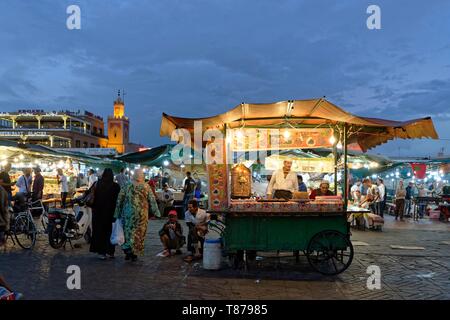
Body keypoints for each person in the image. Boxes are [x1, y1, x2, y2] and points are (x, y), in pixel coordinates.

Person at [114, 169, 161, 262]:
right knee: (139, 233)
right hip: (142, 214)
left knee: (128, 232)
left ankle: (128, 251)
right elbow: (152, 200)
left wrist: (117, 213)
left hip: (128, 214)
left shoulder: (126, 185)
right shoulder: (146, 186)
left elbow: (120, 200)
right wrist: (157, 212)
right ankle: (135, 253)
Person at [90, 168, 121, 260]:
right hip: (111, 213)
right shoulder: (116, 186)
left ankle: (102, 253)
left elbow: (90, 195)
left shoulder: (97, 184)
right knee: (110, 232)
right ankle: (111, 252)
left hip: (98, 213)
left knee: (100, 232)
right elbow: (119, 200)